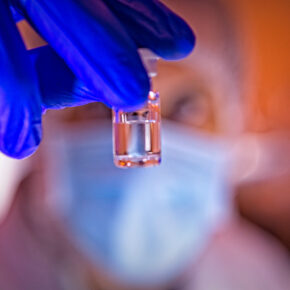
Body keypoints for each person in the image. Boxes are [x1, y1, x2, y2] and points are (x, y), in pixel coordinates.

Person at [0, 0, 290, 289]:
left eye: (187, 107)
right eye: (100, 108)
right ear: (50, 119)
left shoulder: (262, 278)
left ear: (232, 119)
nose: (143, 162)